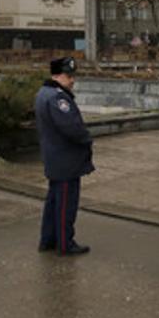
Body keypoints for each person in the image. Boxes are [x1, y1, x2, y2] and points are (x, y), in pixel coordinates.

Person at [36, 56, 95, 256]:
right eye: (69, 76)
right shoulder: (57, 98)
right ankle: (65, 243)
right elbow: (72, 128)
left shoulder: (44, 93)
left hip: (55, 158)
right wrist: (87, 139)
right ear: (58, 75)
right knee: (65, 206)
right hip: (65, 160)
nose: (72, 80)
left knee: (53, 202)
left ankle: (48, 239)